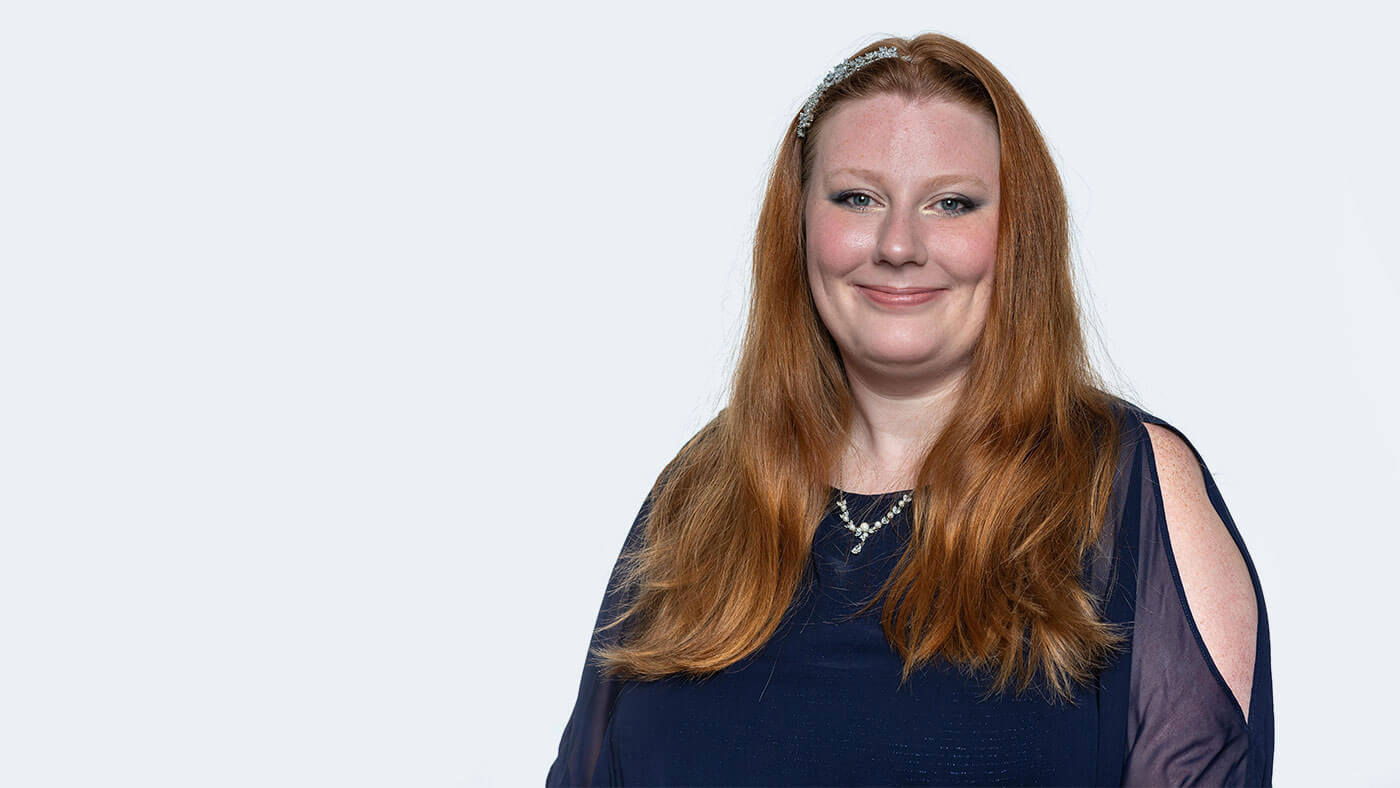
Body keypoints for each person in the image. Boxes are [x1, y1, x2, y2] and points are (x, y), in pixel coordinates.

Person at [547, 33, 1273, 786]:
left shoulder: (1128, 484)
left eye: (951, 203)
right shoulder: (703, 488)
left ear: (1017, 234)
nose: (898, 244)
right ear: (798, 225)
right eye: (857, 198)